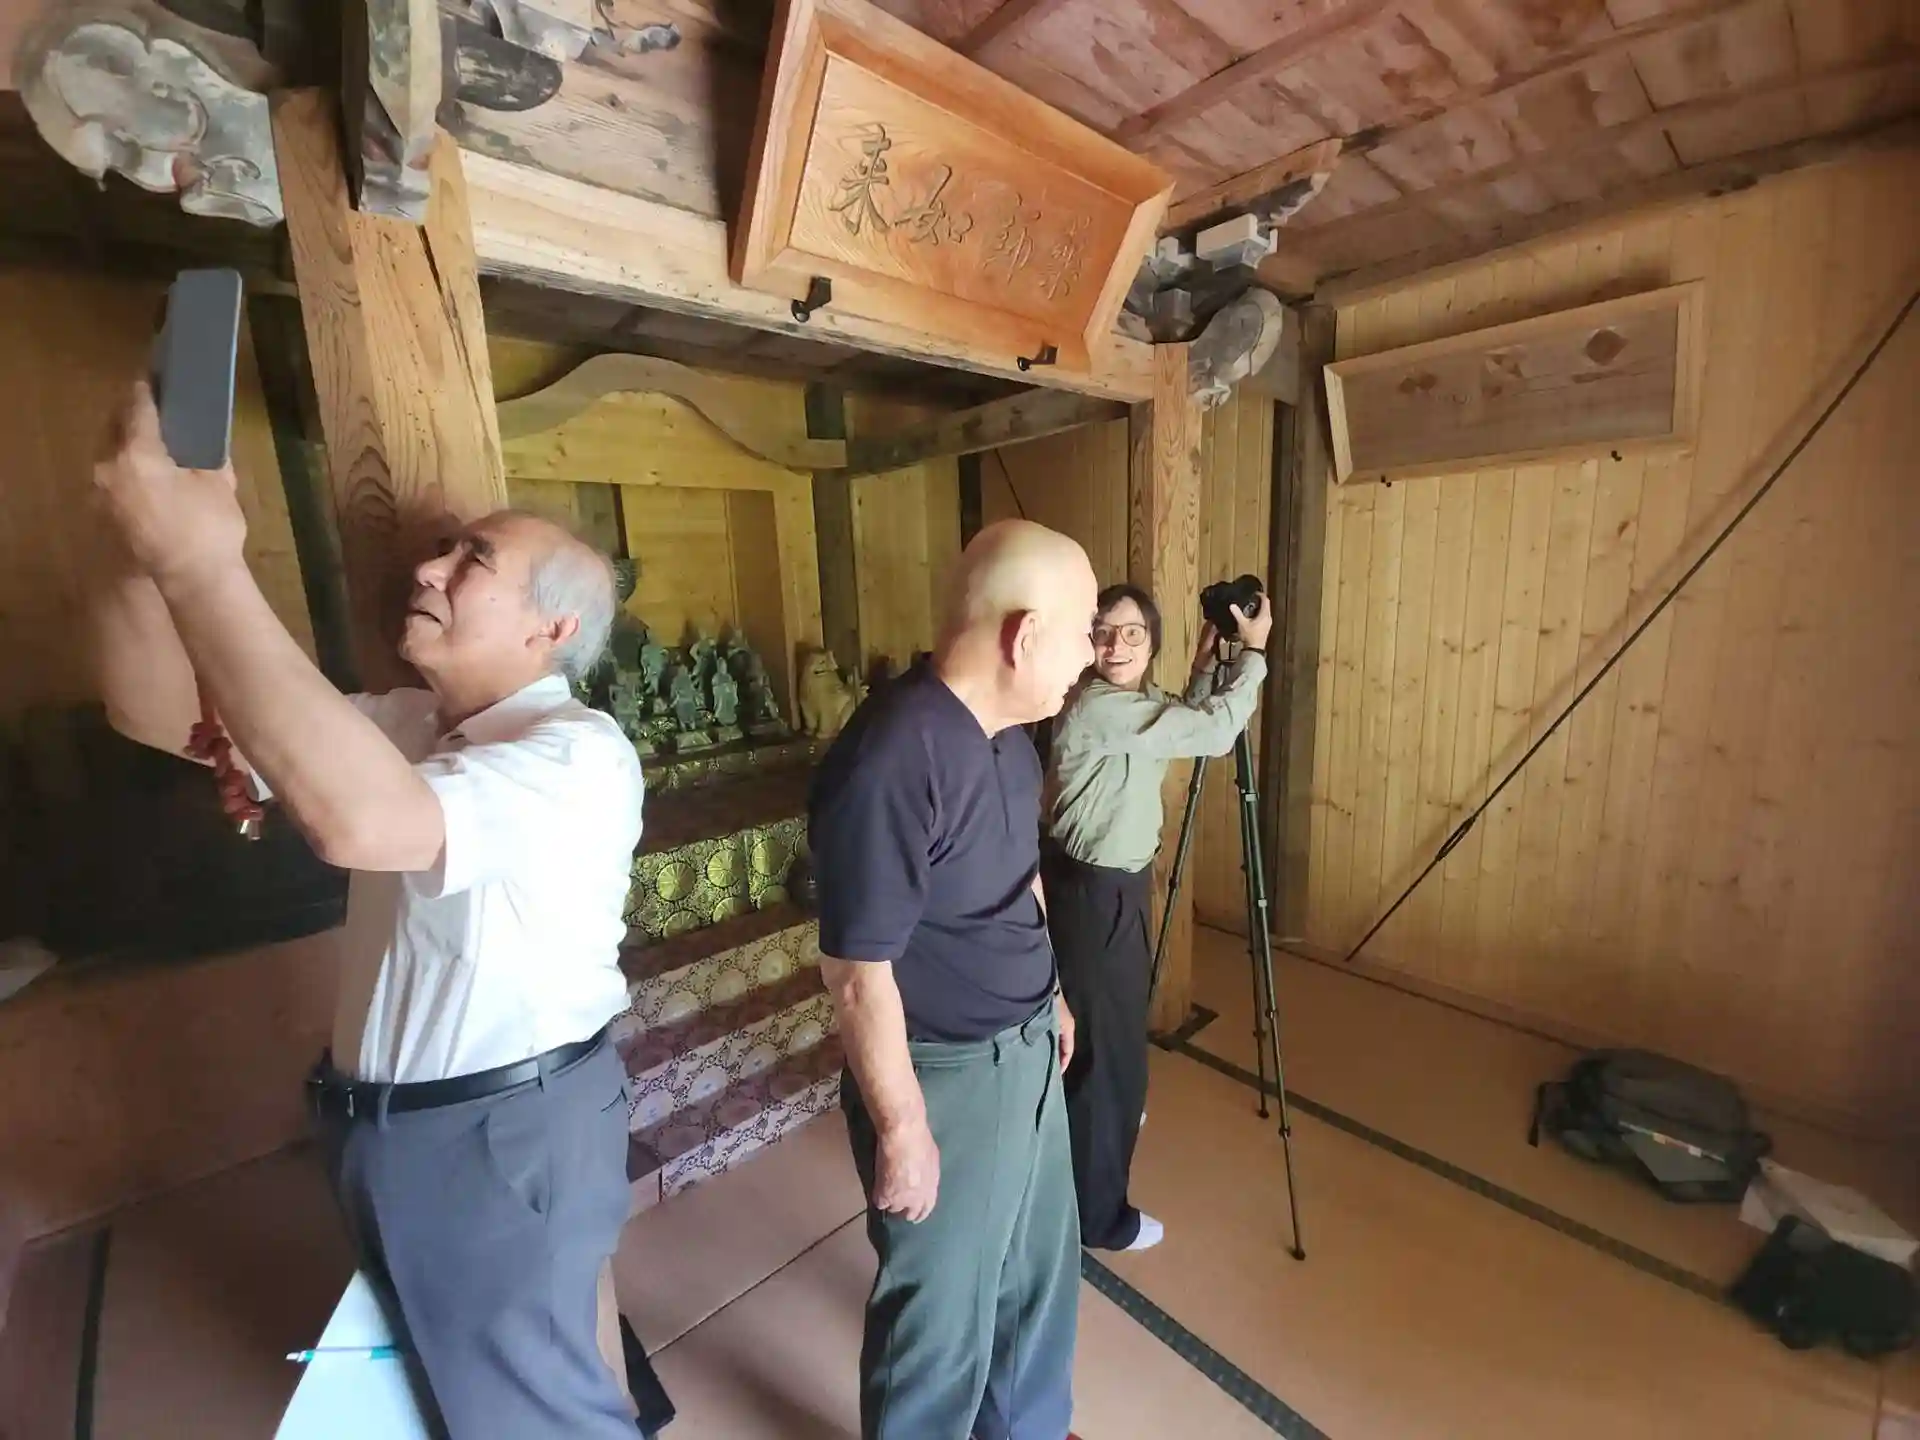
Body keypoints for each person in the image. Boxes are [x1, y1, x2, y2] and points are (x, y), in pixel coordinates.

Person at [87, 381, 659, 1439]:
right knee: (501, 1376)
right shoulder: (406, 723)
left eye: (473, 560)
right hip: (411, 1130)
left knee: (529, 1411)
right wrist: (138, 547)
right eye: (443, 551)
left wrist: (200, 560)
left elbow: (360, 821)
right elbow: (152, 710)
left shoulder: (578, 754)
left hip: (497, 1134)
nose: (430, 570)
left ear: (554, 628)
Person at [808, 519, 1099, 1440]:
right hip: (947, 1071)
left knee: (1036, 1271)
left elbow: (1020, 876)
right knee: (939, 1315)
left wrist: (1052, 996)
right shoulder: (894, 757)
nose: (1091, 654)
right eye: (1084, 631)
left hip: (1026, 1046)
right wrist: (902, 1130)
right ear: (1025, 635)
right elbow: (856, 971)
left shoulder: (1011, 737)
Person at [1041, 583, 1271, 1253]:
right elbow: (1214, 733)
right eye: (1103, 633)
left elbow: (1178, 723)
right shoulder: (1097, 704)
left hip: (1111, 890)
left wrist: (1202, 669)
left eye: (1132, 633)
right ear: (1088, 641)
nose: (1115, 645)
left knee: (1111, 1046)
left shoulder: (1130, 704)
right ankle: (1098, 1217)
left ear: (1151, 643)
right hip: (1093, 896)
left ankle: (1095, 1150)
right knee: (1102, 1057)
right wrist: (1254, 655)